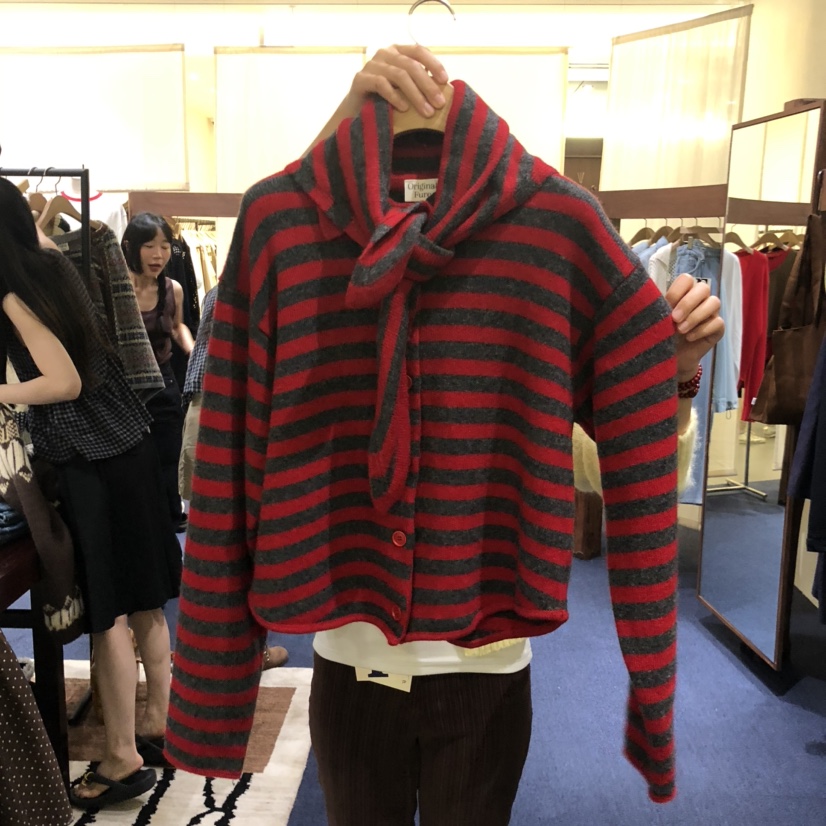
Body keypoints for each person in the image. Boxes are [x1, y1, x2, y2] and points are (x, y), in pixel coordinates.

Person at [165, 46, 725, 824]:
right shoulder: (284, 227)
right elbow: (226, 463)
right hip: (349, 661)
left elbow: (617, 465)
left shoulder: (557, 230)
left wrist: (676, 375)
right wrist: (215, 688)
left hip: (487, 667)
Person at [0, 177, 182, 810]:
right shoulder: (51, 260)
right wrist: (41, 209)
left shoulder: (11, 292)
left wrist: (2, 392)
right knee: (144, 602)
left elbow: (64, 381)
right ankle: (157, 725)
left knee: (108, 615)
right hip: (127, 437)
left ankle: (122, 758)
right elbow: (40, 227)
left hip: (89, 457)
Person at [178, 283, 289, 670]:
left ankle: (209, 648)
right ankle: (245, 650)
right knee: (247, 538)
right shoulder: (270, 287)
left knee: (208, 536)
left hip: (205, 405)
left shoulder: (219, 290)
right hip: (243, 409)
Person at [123, 213, 194, 532]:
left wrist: (195, 351)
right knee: (132, 459)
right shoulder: (116, 288)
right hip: (125, 388)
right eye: (149, 246)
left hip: (163, 382)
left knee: (168, 454)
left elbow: (177, 326)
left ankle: (170, 515)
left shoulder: (172, 289)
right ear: (131, 247)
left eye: (165, 246)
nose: (158, 255)